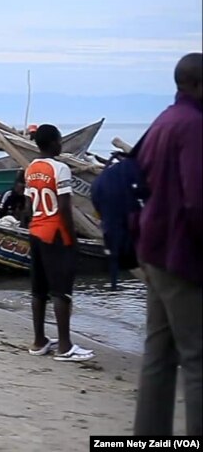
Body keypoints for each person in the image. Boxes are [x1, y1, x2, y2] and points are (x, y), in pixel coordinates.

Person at [133, 52, 202, 437]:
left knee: (158, 354)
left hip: (153, 252)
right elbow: (196, 201)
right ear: (195, 85)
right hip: (180, 255)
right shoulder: (192, 125)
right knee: (197, 357)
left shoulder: (162, 121)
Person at [25, 124, 94, 363]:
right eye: (60, 140)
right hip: (55, 233)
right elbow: (64, 207)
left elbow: (27, 207)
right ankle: (64, 346)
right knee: (61, 290)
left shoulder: (31, 168)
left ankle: (39, 341)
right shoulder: (61, 169)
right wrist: (72, 239)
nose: (61, 144)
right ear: (54, 142)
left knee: (38, 290)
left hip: (35, 230)